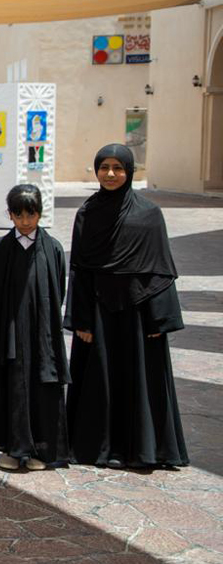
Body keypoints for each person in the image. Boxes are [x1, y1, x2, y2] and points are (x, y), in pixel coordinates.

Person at [64, 144, 188, 468]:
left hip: (138, 315)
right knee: (98, 381)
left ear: (129, 171)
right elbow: (79, 270)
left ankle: (143, 450)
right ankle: (97, 448)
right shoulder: (87, 214)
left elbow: (160, 270)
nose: (110, 174)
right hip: (98, 312)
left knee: (140, 380)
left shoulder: (149, 215)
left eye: (118, 168)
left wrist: (159, 321)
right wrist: (81, 321)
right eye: (104, 167)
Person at [0, 185, 70, 471]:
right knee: (11, 387)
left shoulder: (53, 248)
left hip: (41, 331)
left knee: (41, 386)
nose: (25, 221)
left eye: (30, 214)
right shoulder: (2, 248)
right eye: (18, 215)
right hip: (10, 330)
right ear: (10, 215)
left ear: (39, 213)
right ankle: (11, 446)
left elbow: (60, 288)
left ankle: (40, 450)